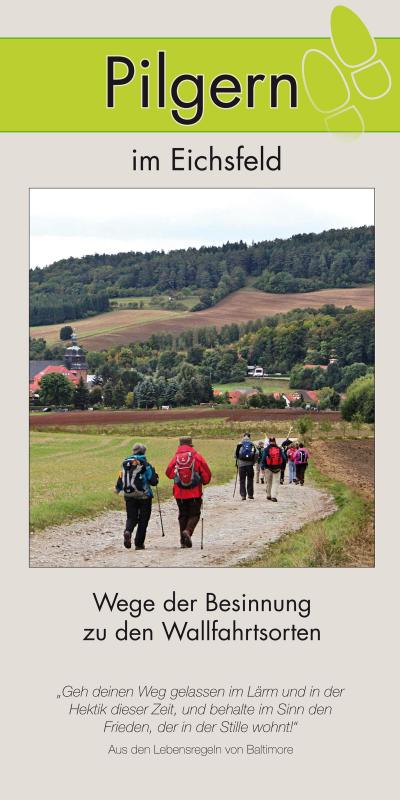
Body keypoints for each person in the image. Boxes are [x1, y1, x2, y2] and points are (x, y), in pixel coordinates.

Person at [166, 436, 211, 548]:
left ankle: (183, 541)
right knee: (195, 514)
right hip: (194, 492)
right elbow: (206, 473)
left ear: (180, 445)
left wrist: (177, 478)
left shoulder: (176, 457)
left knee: (183, 515)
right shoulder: (197, 456)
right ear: (191, 445)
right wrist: (204, 481)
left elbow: (168, 473)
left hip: (179, 492)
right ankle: (188, 532)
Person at [115, 443, 159, 551]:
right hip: (144, 496)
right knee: (143, 520)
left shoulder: (125, 463)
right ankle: (139, 544)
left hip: (129, 495)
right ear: (144, 452)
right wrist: (155, 475)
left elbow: (121, 478)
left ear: (133, 451)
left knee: (131, 517)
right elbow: (153, 482)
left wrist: (117, 489)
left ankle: (128, 531)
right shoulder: (145, 464)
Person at [260, 436, 286, 502]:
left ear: (269, 442)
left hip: (268, 468)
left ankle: (268, 495)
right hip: (277, 468)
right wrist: (283, 467)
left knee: (269, 482)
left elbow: (263, 459)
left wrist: (262, 467)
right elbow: (284, 458)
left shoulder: (266, 449)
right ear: (275, 441)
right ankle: (273, 496)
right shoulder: (279, 449)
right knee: (275, 482)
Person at [235, 433, 257, 500]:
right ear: (250, 437)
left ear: (243, 437)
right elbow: (257, 453)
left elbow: (235, 455)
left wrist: (238, 461)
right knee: (250, 479)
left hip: (241, 465)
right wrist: (253, 462)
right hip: (250, 465)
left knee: (242, 480)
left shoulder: (239, 444)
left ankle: (243, 495)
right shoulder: (252, 444)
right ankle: (250, 495)